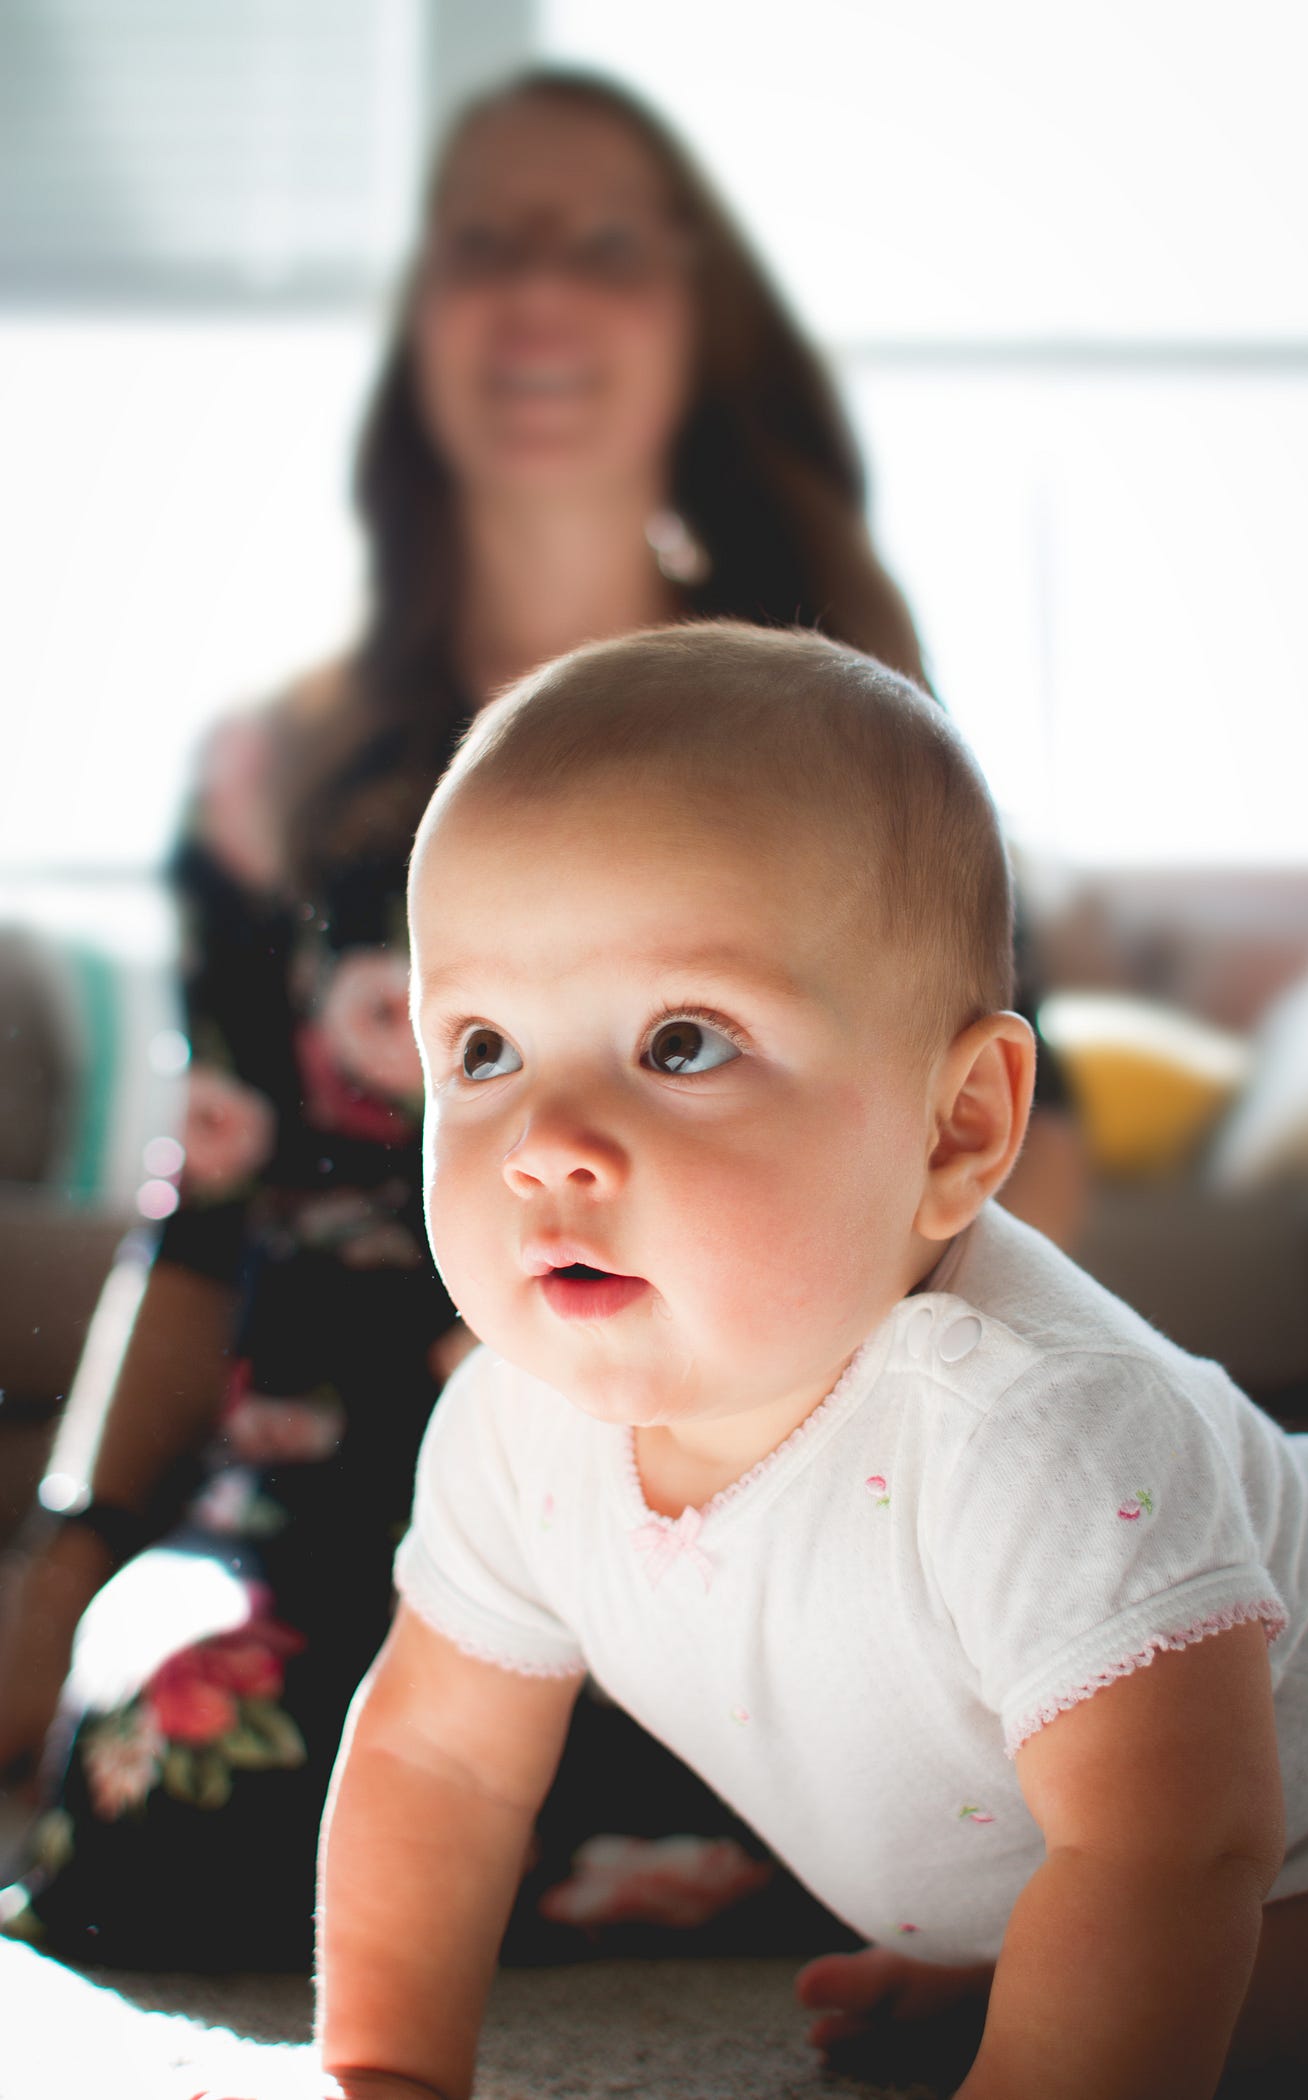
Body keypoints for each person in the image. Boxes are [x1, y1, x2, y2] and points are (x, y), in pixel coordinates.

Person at [0, 69, 1080, 1970]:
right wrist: (71, 1551)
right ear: (418, 327)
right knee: (170, 1799)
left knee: (989, 1801)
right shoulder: (278, 774)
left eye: (602, 244)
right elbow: (206, 1216)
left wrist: (883, 1480)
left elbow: (1005, 1139)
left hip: (757, 1468)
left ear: (696, 317)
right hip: (340, 1497)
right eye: (482, 244)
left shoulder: (852, 731)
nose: (538, 293)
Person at [216, 622, 1308, 2100]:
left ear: (957, 1128)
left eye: (684, 1043)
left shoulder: (1032, 1428)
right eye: (486, 1052)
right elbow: (439, 1765)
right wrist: (383, 2069)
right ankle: (1017, 1980)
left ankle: (1024, 1995)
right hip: (1177, 1861)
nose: (548, 1149)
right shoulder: (519, 1426)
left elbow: (1175, 1848)